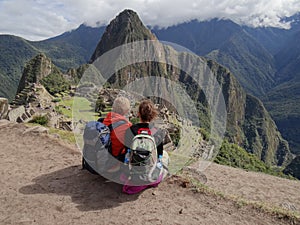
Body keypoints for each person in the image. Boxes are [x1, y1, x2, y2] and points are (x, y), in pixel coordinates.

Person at [123, 99, 168, 194]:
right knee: (164, 155)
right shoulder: (157, 131)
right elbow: (159, 156)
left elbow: (126, 150)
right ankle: (151, 178)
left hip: (133, 174)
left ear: (138, 114)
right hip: (150, 175)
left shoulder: (130, 130)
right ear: (153, 115)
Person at [102, 96, 132, 163]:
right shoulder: (127, 125)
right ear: (126, 110)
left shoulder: (106, 120)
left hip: (103, 156)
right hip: (117, 158)